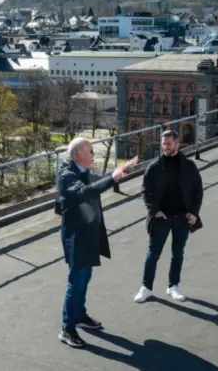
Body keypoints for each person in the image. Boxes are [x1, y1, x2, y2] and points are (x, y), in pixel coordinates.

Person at [57, 137, 139, 348]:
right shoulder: (67, 175)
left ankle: (80, 315)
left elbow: (96, 182)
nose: (94, 154)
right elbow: (86, 191)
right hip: (76, 236)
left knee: (85, 278)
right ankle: (67, 328)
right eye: (91, 151)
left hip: (88, 233)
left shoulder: (82, 171)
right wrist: (112, 178)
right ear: (79, 155)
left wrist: (120, 172)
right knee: (76, 281)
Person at [134, 130, 204, 304]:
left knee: (177, 253)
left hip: (182, 218)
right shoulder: (155, 166)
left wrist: (194, 213)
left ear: (177, 144)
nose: (165, 147)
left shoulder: (189, 166)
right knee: (153, 254)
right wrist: (153, 210)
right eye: (163, 144)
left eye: (169, 144)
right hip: (161, 218)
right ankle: (146, 288)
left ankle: (173, 286)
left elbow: (198, 191)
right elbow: (145, 190)